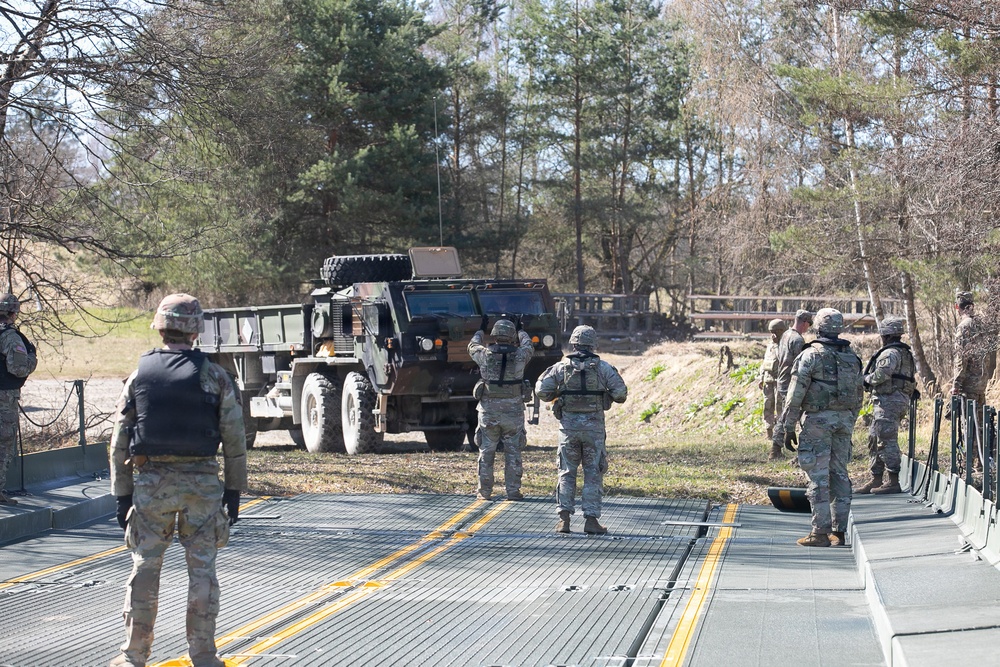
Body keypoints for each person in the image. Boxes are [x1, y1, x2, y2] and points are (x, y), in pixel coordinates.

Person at [109, 294, 247, 667]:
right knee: (202, 570)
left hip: (151, 487)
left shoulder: (141, 375)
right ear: (195, 330)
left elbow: (119, 440)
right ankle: (203, 656)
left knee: (144, 568)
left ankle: (134, 655)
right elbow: (234, 439)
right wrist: (234, 490)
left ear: (160, 326)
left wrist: (121, 495)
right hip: (202, 488)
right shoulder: (216, 376)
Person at [777, 308, 863, 547]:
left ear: (817, 327)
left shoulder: (811, 355)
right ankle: (840, 531)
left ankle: (820, 532)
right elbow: (859, 395)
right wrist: (849, 421)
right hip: (844, 421)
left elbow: (795, 394)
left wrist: (788, 426)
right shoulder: (852, 357)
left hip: (817, 422)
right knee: (840, 473)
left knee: (818, 475)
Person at [535, 325, 627, 535]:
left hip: (568, 429)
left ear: (574, 343)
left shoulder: (560, 367)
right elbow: (621, 393)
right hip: (593, 429)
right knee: (593, 473)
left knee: (567, 472)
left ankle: (564, 520)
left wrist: (559, 394)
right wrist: (604, 395)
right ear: (593, 344)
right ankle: (591, 521)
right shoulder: (603, 368)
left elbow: (541, 390)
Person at [468, 316, 534, 501]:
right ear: (512, 336)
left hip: (488, 412)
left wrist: (481, 329)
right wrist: (521, 329)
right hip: (513, 412)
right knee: (513, 452)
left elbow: (472, 345)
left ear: (494, 335)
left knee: (486, 452)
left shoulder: (485, 355)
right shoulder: (521, 355)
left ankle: (484, 492)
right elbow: (529, 345)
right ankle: (513, 492)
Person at [855, 316, 917, 495]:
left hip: (889, 400)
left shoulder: (890, 353)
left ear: (886, 335)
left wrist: (864, 379)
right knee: (874, 438)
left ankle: (893, 480)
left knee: (886, 440)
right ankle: (876, 479)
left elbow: (881, 375)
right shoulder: (904, 352)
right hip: (890, 400)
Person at [950, 290, 997, 470]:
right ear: (972, 305)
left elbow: (961, 358)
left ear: (957, 307)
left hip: (968, 384)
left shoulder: (964, 326)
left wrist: (956, 383)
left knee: (968, 425)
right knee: (980, 424)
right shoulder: (981, 324)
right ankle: (980, 465)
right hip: (981, 383)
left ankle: (970, 465)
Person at [0, 293, 37, 506]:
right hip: (4, 398)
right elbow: (18, 368)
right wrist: (32, 359)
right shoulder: (10, 337)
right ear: (14, 313)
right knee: (4, 443)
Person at [771, 309, 813, 457]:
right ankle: (776, 449)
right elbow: (801, 363)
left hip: (782, 380)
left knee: (784, 415)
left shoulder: (785, 335)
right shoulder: (797, 340)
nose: (809, 327)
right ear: (805, 322)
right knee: (788, 416)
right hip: (791, 382)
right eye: (809, 324)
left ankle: (776, 448)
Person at [759, 318, 788, 454]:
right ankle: (769, 430)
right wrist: (761, 378)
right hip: (768, 380)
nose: (773, 335)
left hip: (779, 380)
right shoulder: (770, 345)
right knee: (767, 406)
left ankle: (780, 433)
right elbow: (764, 362)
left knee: (779, 406)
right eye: (771, 332)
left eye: (776, 332)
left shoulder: (786, 344)